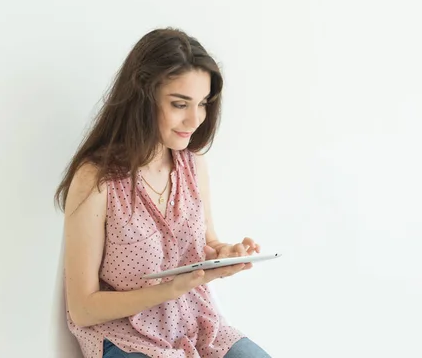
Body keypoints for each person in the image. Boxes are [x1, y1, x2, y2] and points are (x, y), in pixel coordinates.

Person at [55, 28, 272, 358]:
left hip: (195, 324)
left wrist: (224, 256)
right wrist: (169, 290)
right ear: (142, 97)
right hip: (126, 336)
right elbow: (83, 309)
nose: (195, 118)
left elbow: (206, 244)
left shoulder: (192, 163)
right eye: (180, 104)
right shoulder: (96, 179)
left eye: (202, 104)